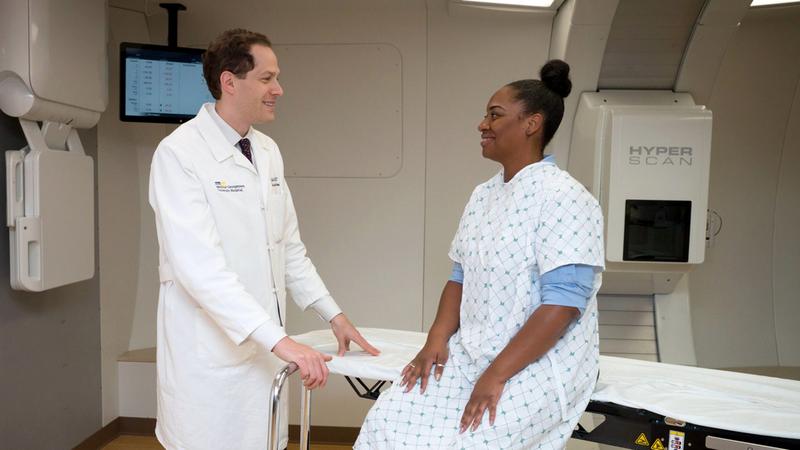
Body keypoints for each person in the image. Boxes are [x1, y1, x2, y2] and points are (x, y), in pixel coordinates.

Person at [355, 60, 604, 449]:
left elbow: (563, 304)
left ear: (531, 124)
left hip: (535, 364)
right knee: (385, 425)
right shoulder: (483, 195)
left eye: (494, 115)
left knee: (470, 444)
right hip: (469, 354)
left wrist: (496, 375)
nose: (482, 124)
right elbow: (459, 277)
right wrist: (436, 340)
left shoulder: (565, 198)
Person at [148, 29, 379, 450]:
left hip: (264, 351)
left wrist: (334, 315)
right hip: (211, 359)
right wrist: (282, 341)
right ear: (230, 82)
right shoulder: (179, 154)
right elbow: (199, 270)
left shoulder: (267, 151)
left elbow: (288, 247)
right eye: (268, 78)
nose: (279, 89)